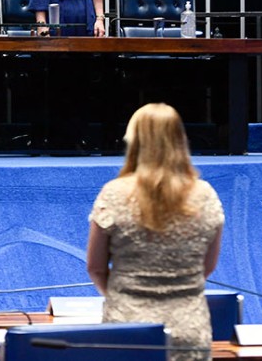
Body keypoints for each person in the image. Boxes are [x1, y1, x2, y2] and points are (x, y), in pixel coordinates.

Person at [86, 103, 224, 361]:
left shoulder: (113, 193)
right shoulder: (205, 195)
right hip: (188, 330)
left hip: (127, 329)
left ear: (134, 141)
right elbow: (207, 266)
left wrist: (122, 297)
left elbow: (95, 267)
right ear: (180, 139)